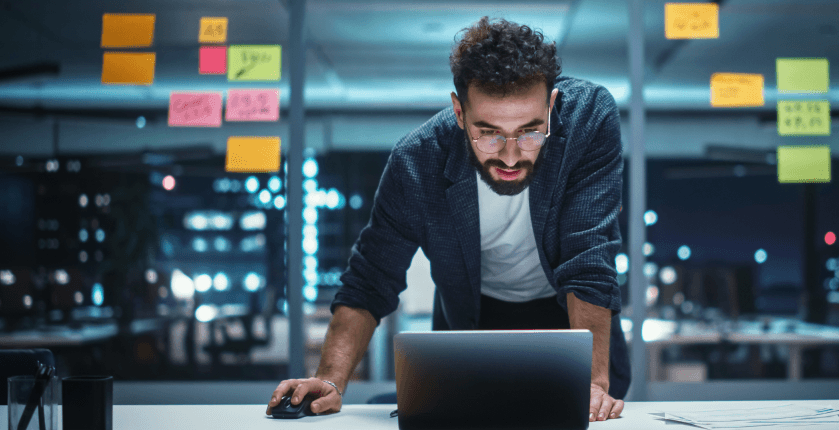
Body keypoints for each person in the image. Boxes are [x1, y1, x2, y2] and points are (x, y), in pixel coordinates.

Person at [266, 16, 629, 422]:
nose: (510, 156)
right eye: (488, 133)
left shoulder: (589, 120)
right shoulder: (417, 162)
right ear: (459, 112)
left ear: (552, 105)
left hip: (573, 325)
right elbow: (370, 279)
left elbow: (587, 258)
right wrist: (330, 381)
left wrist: (594, 385)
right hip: (473, 326)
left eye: (529, 131)